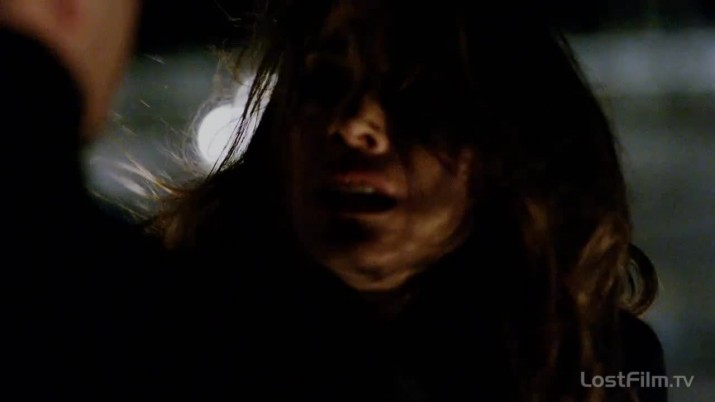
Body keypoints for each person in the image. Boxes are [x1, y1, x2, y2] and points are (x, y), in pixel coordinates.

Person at [0, 0, 666, 401]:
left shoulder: (595, 362)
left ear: (511, 142)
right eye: (323, 86)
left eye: (415, 98)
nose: (354, 126)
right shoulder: (160, 338)